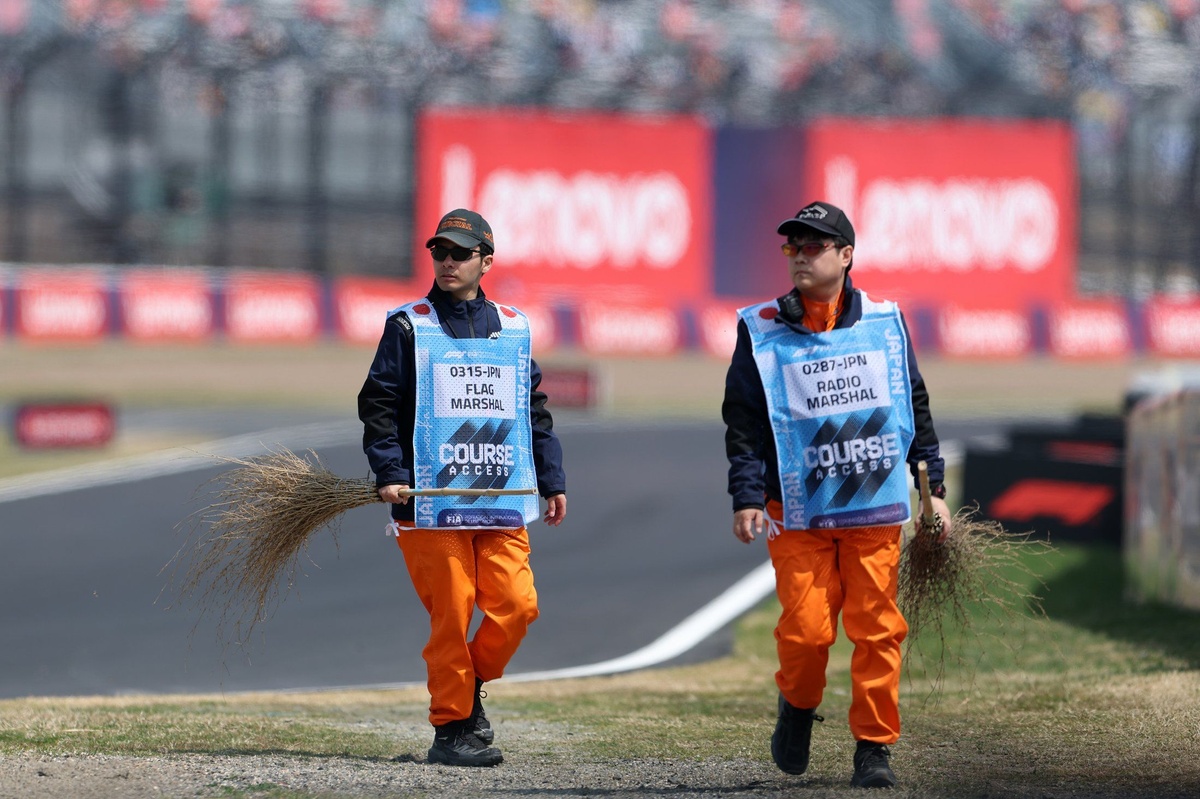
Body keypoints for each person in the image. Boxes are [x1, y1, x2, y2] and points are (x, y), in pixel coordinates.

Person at [721, 201, 953, 789]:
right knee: (806, 633)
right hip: (795, 511)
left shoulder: (884, 321)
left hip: (873, 508)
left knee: (878, 628)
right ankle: (797, 707)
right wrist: (746, 496)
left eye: (814, 245)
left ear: (846, 256)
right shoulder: (762, 326)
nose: (800, 255)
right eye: (792, 246)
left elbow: (913, 406)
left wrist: (935, 488)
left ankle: (874, 746)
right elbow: (744, 422)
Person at [358, 208, 567, 768]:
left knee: (518, 607)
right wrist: (390, 472)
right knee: (452, 611)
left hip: (502, 498)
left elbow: (532, 408)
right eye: (439, 253)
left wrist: (551, 479)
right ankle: (451, 728)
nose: (447, 262)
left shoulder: (514, 325)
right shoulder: (408, 325)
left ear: (486, 261)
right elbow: (378, 404)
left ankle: (468, 685)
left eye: (460, 253)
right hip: (428, 504)